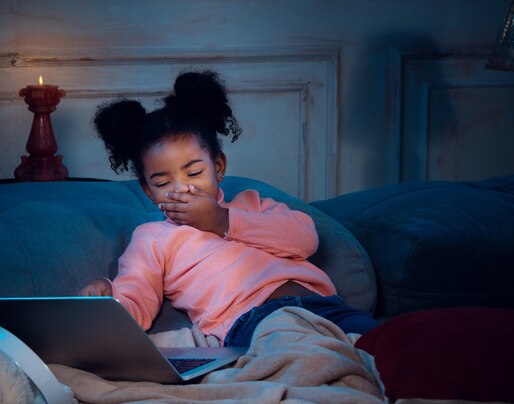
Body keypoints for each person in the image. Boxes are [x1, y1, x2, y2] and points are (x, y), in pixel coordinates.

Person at [79, 70, 378, 347]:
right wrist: (107, 298)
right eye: (163, 182)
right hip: (254, 322)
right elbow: (136, 301)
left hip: (325, 306)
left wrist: (222, 220)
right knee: (309, 359)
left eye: (194, 173)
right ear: (147, 190)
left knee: (392, 343)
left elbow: (305, 240)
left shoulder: (252, 204)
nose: (182, 188)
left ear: (218, 167)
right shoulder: (153, 238)